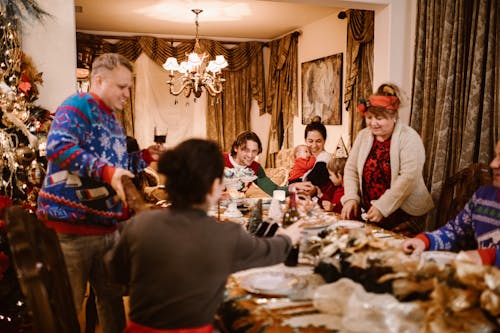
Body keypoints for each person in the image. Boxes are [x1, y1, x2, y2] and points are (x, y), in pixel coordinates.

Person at [105, 139, 304, 332]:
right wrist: (288, 235)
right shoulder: (227, 234)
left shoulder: (138, 225)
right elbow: (271, 251)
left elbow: (116, 274)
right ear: (213, 187)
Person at [36, 53, 159, 333]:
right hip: (71, 228)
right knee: (66, 310)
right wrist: (108, 172)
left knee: (112, 303)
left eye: (129, 87)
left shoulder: (112, 121)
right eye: (122, 86)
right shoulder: (77, 106)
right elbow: (58, 147)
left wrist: (144, 157)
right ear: (99, 80)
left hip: (104, 229)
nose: (128, 94)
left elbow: (115, 168)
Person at [340, 83, 433, 236]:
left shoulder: (409, 137)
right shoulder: (363, 136)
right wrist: (351, 197)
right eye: (369, 117)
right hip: (372, 213)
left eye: (379, 118)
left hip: (404, 215)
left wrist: (383, 206)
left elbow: (409, 177)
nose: (373, 123)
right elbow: (351, 169)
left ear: (393, 117)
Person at [402, 139, 500, 267]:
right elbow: (455, 231)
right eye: (496, 156)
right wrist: (426, 241)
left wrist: (490, 256)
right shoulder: (483, 196)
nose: (493, 164)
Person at [223, 131, 314, 196]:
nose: (250, 155)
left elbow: (274, 190)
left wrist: (294, 186)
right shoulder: (219, 160)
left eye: (254, 151)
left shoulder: (255, 168)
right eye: (246, 150)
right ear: (235, 148)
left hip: (237, 211)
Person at [301, 118, 334, 194]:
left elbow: (313, 180)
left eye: (318, 141)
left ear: (324, 141)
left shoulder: (325, 157)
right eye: (310, 141)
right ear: (305, 140)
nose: (314, 145)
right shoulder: (304, 157)